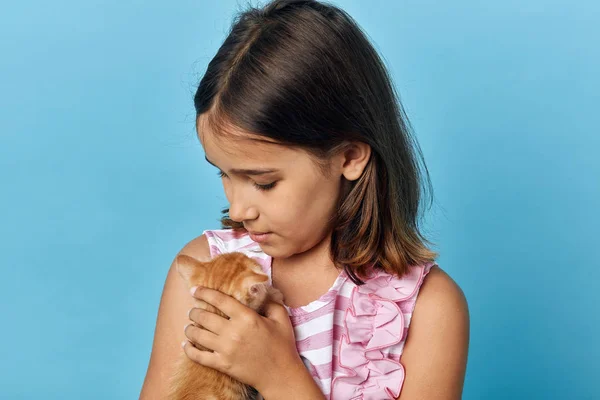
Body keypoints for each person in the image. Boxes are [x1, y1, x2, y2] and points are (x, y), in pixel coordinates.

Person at [140, 0, 469, 399]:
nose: (240, 211)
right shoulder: (208, 273)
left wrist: (280, 377)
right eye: (224, 174)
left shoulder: (429, 310)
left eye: (263, 182)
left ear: (348, 157)